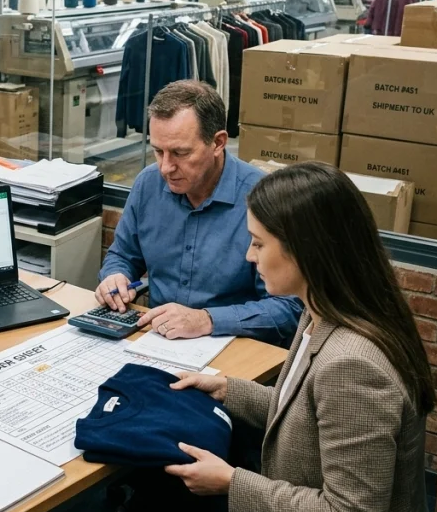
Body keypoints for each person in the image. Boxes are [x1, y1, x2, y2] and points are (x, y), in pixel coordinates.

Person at [120, 162, 437, 512]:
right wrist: (228, 389)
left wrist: (234, 484)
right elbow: (310, 411)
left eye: (258, 243)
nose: (249, 256)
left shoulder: (354, 366)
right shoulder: (324, 310)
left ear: (305, 251)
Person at [96, 81, 301, 345]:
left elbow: (289, 309)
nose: (165, 168)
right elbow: (123, 255)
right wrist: (116, 275)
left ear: (218, 143)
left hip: (235, 348)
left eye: (180, 153)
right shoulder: (148, 185)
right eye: (158, 151)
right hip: (158, 341)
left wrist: (208, 320)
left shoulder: (264, 198)